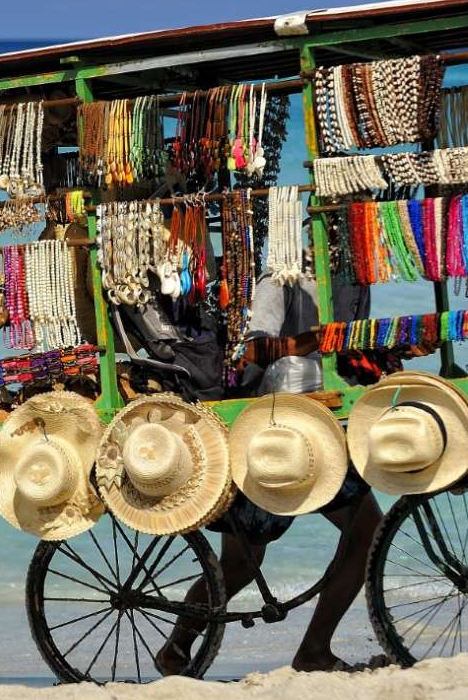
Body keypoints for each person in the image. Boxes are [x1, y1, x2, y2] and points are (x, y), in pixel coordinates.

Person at [155, 275, 389, 674]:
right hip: (280, 429)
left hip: (315, 423)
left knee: (241, 564)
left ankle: (176, 647)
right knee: (365, 533)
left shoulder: (355, 281)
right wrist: (319, 341)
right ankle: (313, 650)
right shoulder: (283, 276)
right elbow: (254, 349)